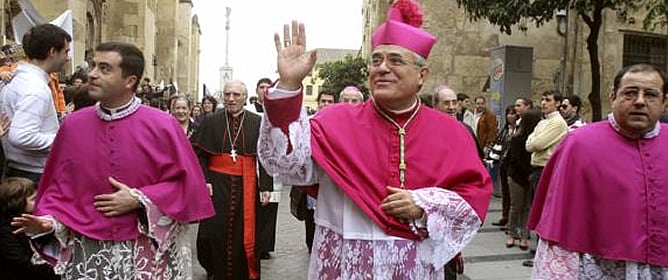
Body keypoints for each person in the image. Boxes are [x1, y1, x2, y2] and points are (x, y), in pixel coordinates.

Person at [258, 1, 492, 278]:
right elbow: (285, 164)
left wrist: (424, 204)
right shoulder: (334, 121)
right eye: (376, 60)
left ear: (422, 75)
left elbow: (473, 195)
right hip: (345, 263)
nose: (381, 68)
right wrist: (288, 87)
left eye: (395, 60)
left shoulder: (450, 132)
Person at [11, 42, 214, 279]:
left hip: (146, 249)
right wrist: (50, 221)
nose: (92, 74)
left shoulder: (163, 125)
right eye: (94, 65)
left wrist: (140, 198)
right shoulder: (72, 126)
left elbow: (187, 186)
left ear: (129, 81)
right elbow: (59, 190)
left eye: (104, 68)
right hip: (90, 249)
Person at [528, 64, 668, 278]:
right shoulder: (579, 144)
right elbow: (559, 226)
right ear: (613, 96)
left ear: (664, 102)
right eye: (630, 93)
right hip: (598, 267)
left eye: (650, 94)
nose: (640, 101)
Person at [194, 79, 273, 280]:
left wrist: (266, 185)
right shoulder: (211, 122)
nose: (231, 99)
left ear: (245, 97)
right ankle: (215, 271)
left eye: (236, 95)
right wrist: (205, 180)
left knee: (243, 235)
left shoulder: (257, 122)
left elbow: (264, 156)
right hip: (217, 186)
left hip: (246, 185)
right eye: (228, 94)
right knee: (214, 233)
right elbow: (198, 154)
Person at [0, 24, 71, 183]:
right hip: (32, 173)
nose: (68, 58)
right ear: (52, 52)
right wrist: (64, 139)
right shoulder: (34, 88)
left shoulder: (18, 79)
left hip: (21, 170)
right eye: (66, 51)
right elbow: (21, 136)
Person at [0, 177, 58, 280]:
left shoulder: (36, 220)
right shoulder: (6, 231)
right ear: (18, 203)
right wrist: (57, 271)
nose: (39, 202)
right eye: (34, 199)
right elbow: (22, 263)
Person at [503, 109, 541, 250]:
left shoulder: (537, 139)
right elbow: (516, 160)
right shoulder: (517, 140)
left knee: (526, 208)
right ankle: (511, 234)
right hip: (517, 177)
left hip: (528, 177)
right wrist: (530, 172)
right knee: (516, 206)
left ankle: (524, 235)